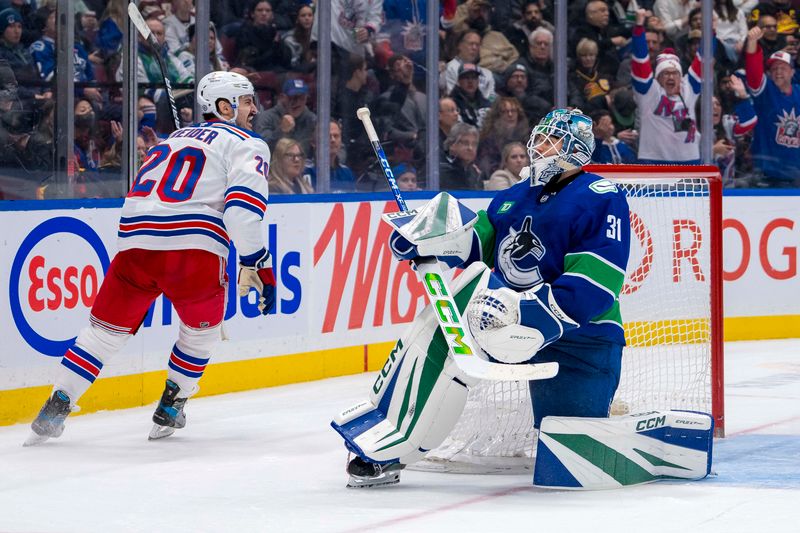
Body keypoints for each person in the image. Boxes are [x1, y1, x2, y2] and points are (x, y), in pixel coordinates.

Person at [332, 108, 631, 488]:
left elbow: (598, 283)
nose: (539, 146)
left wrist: (535, 314)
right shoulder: (513, 197)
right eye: (538, 137)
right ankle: (390, 439)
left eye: (551, 139)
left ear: (576, 150)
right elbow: (478, 242)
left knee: (568, 459)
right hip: (505, 318)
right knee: (436, 334)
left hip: (580, 336)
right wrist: (425, 236)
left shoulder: (599, 196)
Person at [25, 71, 278, 445]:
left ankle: (58, 402)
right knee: (201, 333)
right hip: (193, 249)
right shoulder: (248, 143)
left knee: (102, 334)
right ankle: (171, 406)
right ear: (224, 107)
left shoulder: (171, 139)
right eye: (247, 101)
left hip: (135, 244)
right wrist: (258, 263)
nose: (254, 109)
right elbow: (241, 213)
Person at [631, 8, 704, 164]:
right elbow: (640, 61)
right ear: (657, 78)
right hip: (654, 161)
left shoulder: (689, 88)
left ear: (680, 76)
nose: (671, 77)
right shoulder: (648, 92)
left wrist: (710, 31)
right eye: (666, 73)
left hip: (689, 160)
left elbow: (704, 58)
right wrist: (638, 28)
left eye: (674, 73)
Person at [744, 25, 800, 186]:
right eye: (774, 68)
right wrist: (752, 43)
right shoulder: (765, 91)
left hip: (796, 173)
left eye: (782, 67)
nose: (778, 71)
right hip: (767, 174)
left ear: (792, 72)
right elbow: (754, 72)